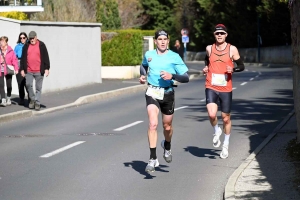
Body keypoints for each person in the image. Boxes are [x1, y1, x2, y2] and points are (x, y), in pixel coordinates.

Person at [139, 29, 189, 173]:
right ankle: (153, 158)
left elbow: (186, 77)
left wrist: (171, 76)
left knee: (167, 126)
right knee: (153, 124)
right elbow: (143, 66)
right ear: (155, 41)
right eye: (159, 39)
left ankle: (167, 145)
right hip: (152, 92)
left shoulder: (174, 57)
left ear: (168, 41)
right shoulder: (149, 55)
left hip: (167, 93)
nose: (162, 41)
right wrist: (143, 76)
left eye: (164, 39)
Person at [202, 24, 245, 159]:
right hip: (211, 85)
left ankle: (225, 145)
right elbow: (207, 60)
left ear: (226, 35)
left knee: (226, 118)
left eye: (222, 33)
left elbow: (242, 66)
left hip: (226, 88)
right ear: (214, 35)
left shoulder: (232, 49)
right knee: (211, 113)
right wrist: (205, 67)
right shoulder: (209, 48)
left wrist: (233, 69)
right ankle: (216, 130)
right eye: (217, 33)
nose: (219, 35)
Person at [20, 31, 50, 111]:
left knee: (38, 88)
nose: (32, 39)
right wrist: (22, 69)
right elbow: (23, 59)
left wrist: (46, 68)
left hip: (39, 70)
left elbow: (46, 57)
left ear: (36, 37)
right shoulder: (26, 46)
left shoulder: (41, 45)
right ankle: (32, 99)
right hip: (29, 70)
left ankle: (37, 102)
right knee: (28, 84)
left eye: (33, 38)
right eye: (30, 38)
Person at [0, 36, 19, 107]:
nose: (1, 43)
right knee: (1, 85)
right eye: (0, 41)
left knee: (9, 85)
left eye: (3, 41)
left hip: (8, 69)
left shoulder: (10, 51)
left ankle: (8, 97)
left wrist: (16, 68)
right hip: (0, 70)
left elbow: (14, 60)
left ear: (6, 42)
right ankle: (3, 100)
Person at [14, 32, 29, 105]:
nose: (22, 39)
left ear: (26, 38)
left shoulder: (29, 45)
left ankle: (30, 98)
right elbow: (14, 57)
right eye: (21, 38)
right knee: (20, 83)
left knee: (27, 83)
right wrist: (15, 67)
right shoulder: (17, 47)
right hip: (19, 63)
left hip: (27, 64)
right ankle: (21, 98)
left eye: (24, 38)